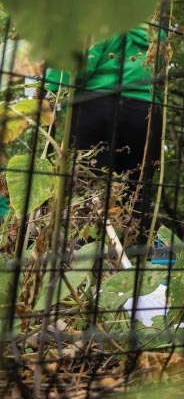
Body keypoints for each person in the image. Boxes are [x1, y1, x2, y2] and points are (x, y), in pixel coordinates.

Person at [45, 26, 164, 244]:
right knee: (137, 193)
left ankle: (82, 259)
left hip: (98, 105)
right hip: (147, 113)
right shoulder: (158, 31)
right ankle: (151, 261)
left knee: (87, 190)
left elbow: (80, 63)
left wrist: (50, 93)